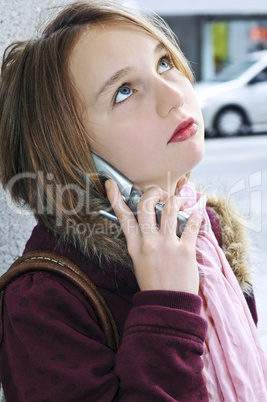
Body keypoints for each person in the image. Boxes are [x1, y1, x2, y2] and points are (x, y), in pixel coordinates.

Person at [0, 1, 266, 400]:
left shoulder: (202, 228)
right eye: (124, 92)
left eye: (163, 63)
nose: (174, 95)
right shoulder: (43, 303)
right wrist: (167, 306)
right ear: (70, 153)